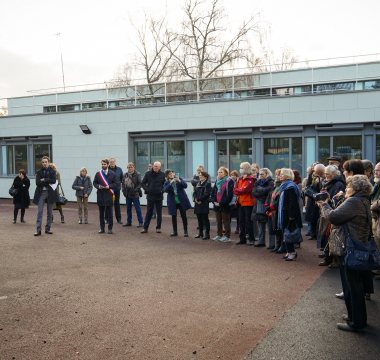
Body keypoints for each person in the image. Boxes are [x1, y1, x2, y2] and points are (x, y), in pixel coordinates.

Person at [318, 175, 372, 331]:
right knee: (352, 286)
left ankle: (357, 322)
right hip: (356, 247)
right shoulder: (361, 200)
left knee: (353, 286)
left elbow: (334, 217)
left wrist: (324, 205)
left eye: (348, 186)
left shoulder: (354, 201)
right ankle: (353, 316)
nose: (345, 189)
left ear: (356, 189)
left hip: (350, 249)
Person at [318, 165, 345, 266]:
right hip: (325, 210)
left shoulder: (339, 184)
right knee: (326, 234)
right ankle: (327, 258)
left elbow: (336, 200)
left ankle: (335, 260)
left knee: (333, 236)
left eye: (327, 174)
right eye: (324, 173)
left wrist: (327, 201)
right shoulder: (325, 183)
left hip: (332, 211)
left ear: (333, 174)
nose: (325, 176)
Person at [277, 168, 303, 261]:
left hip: (289, 214)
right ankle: (289, 251)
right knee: (286, 232)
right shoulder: (284, 186)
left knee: (289, 233)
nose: (280, 176)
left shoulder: (290, 186)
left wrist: (291, 215)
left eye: (282, 174)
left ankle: (292, 252)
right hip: (285, 212)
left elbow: (293, 202)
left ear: (287, 176)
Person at [33, 156, 59, 236]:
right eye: (43, 162)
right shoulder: (39, 172)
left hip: (50, 193)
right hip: (41, 193)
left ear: (49, 162)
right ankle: (38, 230)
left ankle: (48, 228)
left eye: (46, 162)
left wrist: (44, 180)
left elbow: (54, 180)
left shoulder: (53, 171)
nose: (44, 163)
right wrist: (48, 182)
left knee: (49, 211)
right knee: (40, 211)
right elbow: (37, 183)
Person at [93, 158, 118, 234]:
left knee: (110, 214)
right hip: (100, 195)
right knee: (101, 214)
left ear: (108, 164)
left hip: (108, 195)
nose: (103, 165)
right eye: (102, 164)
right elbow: (94, 183)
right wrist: (98, 186)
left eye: (104, 164)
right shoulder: (98, 174)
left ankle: (110, 228)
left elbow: (116, 183)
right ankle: (102, 228)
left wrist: (109, 186)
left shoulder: (113, 174)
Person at [233, 162, 256, 245]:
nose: (240, 169)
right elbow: (234, 190)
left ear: (246, 168)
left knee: (249, 221)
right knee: (241, 221)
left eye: (241, 167)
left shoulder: (250, 179)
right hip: (240, 203)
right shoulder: (240, 178)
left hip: (248, 203)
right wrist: (241, 190)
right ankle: (242, 238)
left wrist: (240, 190)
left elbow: (246, 190)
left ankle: (251, 239)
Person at [164, 169, 191, 237]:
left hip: (181, 201)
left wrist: (180, 181)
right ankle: (175, 231)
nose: (171, 175)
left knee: (183, 216)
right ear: (167, 176)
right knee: (173, 216)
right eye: (170, 174)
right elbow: (166, 190)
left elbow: (185, 186)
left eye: (172, 173)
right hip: (173, 202)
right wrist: (170, 183)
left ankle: (185, 231)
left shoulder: (179, 178)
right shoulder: (166, 182)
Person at [252, 168, 274, 248]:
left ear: (267, 174)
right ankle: (261, 242)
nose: (260, 175)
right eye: (259, 174)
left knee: (270, 226)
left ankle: (271, 244)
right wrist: (261, 193)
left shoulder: (270, 182)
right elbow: (253, 192)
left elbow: (268, 191)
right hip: (258, 205)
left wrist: (259, 191)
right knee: (260, 224)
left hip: (267, 205)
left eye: (262, 174)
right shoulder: (257, 182)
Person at [211, 167, 234, 242]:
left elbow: (230, 195)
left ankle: (227, 236)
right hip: (216, 203)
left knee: (226, 220)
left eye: (221, 172)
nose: (219, 174)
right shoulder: (217, 181)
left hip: (224, 204)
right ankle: (219, 234)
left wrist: (221, 203)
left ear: (226, 173)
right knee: (218, 221)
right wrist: (214, 201)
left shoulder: (229, 181)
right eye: (219, 172)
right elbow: (213, 192)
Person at [141, 161, 166, 234]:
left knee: (159, 213)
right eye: (154, 166)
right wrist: (147, 189)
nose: (155, 167)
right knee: (149, 212)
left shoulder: (162, 174)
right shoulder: (148, 173)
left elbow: (166, 184)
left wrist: (162, 190)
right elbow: (143, 183)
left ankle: (158, 228)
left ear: (160, 168)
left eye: (156, 166)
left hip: (159, 196)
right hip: (150, 196)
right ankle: (145, 228)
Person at [265, 169, 285, 253]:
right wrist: (266, 205)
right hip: (272, 212)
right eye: (276, 175)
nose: (276, 177)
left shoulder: (282, 187)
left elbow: (280, 200)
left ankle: (282, 246)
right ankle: (277, 245)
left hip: (278, 211)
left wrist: (272, 207)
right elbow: (269, 197)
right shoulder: (275, 187)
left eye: (278, 175)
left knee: (280, 229)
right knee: (275, 229)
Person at [305, 163, 325, 240]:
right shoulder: (311, 175)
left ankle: (318, 233)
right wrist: (314, 185)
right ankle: (313, 233)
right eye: (313, 166)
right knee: (311, 217)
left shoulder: (321, 177)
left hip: (318, 197)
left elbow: (321, 187)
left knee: (317, 217)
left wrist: (317, 183)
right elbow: (308, 185)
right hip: (311, 197)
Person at [122, 162, 143, 228]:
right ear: (127, 167)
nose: (130, 168)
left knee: (137, 209)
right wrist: (124, 191)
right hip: (128, 194)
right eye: (129, 167)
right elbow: (123, 184)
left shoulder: (137, 174)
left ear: (134, 167)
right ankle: (129, 222)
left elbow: (140, 184)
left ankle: (140, 222)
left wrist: (135, 190)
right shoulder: (125, 175)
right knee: (128, 209)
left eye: (131, 167)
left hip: (135, 194)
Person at [194, 170, 212, 239]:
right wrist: (196, 199)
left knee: (205, 219)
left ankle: (207, 234)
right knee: (199, 219)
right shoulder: (198, 184)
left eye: (201, 175)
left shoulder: (208, 184)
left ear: (205, 177)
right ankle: (200, 233)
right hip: (197, 204)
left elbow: (207, 194)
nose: (200, 177)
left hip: (204, 203)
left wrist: (199, 199)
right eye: (199, 175)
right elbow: (195, 193)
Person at [370, 162, 380, 280]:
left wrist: (372, 206)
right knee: (377, 245)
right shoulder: (376, 184)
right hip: (375, 220)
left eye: (377, 170)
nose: (375, 173)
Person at [109, 157, 124, 224]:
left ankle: (118, 219)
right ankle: (107, 218)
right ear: (109, 163)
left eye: (113, 161)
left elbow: (121, 179)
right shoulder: (106, 169)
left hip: (117, 189)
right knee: (108, 204)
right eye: (111, 162)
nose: (112, 163)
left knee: (117, 204)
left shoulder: (119, 169)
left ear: (115, 162)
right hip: (108, 189)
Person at [292, 170, 304, 249]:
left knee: (297, 223)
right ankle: (293, 240)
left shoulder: (299, 184)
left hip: (297, 204)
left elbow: (297, 194)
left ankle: (297, 241)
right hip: (293, 204)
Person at [229, 170, 240, 234]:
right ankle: (227, 228)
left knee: (237, 216)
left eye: (234, 175)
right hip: (230, 201)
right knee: (229, 215)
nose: (233, 177)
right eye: (232, 175)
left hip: (236, 201)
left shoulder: (238, 182)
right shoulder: (228, 182)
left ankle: (237, 228)